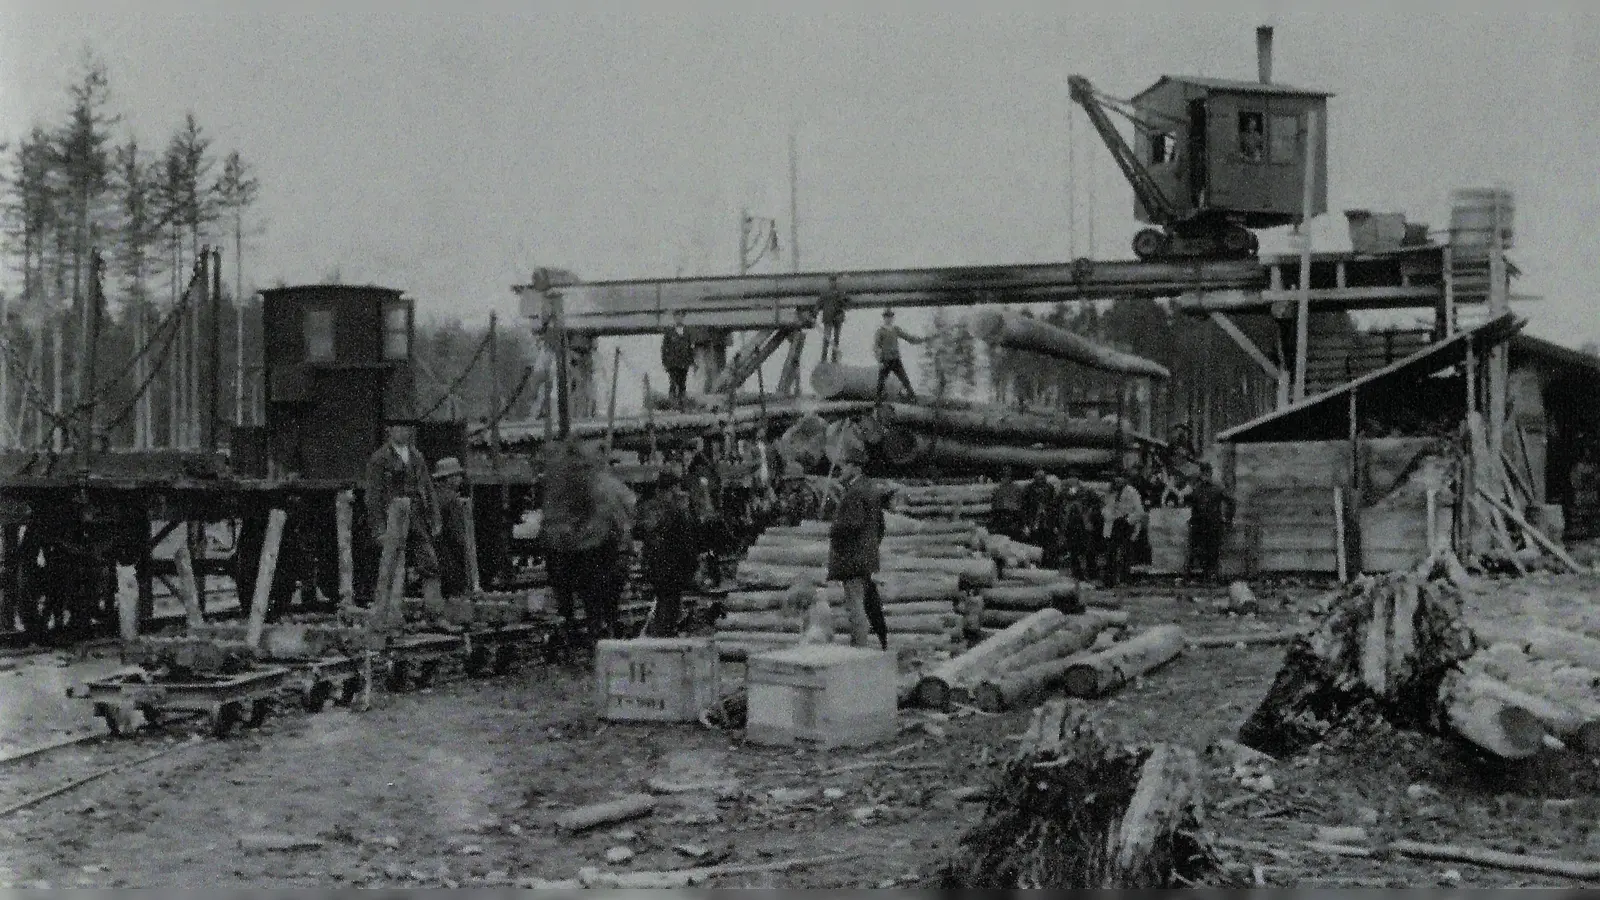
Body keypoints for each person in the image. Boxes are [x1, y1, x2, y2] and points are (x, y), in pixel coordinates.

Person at [364, 421, 442, 604]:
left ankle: (435, 613)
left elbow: (428, 489)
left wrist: (434, 518)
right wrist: (379, 529)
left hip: (417, 517)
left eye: (407, 428)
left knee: (429, 563)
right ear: (389, 430)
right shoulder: (380, 458)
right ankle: (389, 614)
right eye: (398, 428)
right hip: (394, 519)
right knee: (392, 568)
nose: (403, 432)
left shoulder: (416, 457)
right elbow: (373, 497)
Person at [828, 453, 889, 650]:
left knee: (855, 608)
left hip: (853, 560)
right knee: (864, 604)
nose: (841, 470)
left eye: (844, 466)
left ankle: (859, 650)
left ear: (856, 468)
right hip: (863, 558)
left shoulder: (855, 492)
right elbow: (880, 526)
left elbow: (851, 525)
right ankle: (871, 644)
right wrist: (869, 549)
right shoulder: (869, 489)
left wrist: (835, 532)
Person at [635, 468, 697, 637]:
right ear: (670, 489)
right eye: (675, 488)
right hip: (671, 568)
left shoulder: (649, 508)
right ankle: (661, 637)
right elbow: (687, 540)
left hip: (657, 567)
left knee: (665, 602)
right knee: (668, 605)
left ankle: (660, 633)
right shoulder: (675, 511)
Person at [1186, 462, 1235, 585]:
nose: (1205, 476)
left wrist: (1228, 518)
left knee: (1213, 552)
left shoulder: (1216, 488)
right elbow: (1193, 505)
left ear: (1210, 473)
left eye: (1206, 473)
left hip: (1213, 524)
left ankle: (1214, 577)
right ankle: (1207, 576)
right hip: (1201, 525)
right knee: (1203, 552)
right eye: (1203, 473)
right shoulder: (1198, 489)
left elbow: (1231, 502)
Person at [432, 456, 474, 598]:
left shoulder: (435, 497)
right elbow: (456, 535)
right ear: (449, 479)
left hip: (435, 553)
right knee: (456, 592)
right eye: (457, 476)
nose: (460, 479)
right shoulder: (452, 500)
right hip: (449, 555)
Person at [1102, 474, 1146, 588]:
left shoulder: (1132, 492)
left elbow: (1140, 511)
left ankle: (1124, 579)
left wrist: (1128, 519)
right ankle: (1109, 580)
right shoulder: (1110, 491)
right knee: (1110, 553)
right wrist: (1109, 515)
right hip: (1113, 523)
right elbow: (1105, 507)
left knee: (1125, 552)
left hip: (1125, 524)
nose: (1117, 481)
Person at [1057, 477, 1101, 582]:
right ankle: (1078, 573)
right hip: (1072, 527)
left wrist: (1090, 513)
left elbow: (1097, 504)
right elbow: (1061, 508)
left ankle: (1091, 573)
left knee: (1088, 550)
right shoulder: (1065, 495)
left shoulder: (1087, 493)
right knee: (1074, 551)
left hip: (1084, 525)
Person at [873, 309, 923, 402]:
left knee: (904, 379)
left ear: (893, 318)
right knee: (881, 382)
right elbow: (876, 347)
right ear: (884, 318)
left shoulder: (896, 329)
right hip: (885, 360)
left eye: (891, 317)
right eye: (887, 317)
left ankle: (913, 398)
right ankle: (878, 400)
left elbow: (909, 338)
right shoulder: (880, 331)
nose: (889, 319)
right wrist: (879, 361)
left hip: (896, 360)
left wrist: (920, 340)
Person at [661, 310, 695, 410]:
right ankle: (672, 404)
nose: (679, 318)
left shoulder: (687, 332)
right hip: (672, 364)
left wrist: (691, 361)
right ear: (674, 318)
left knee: (682, 384)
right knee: (673, 383)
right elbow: (664, 348)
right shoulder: (669, 332)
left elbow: (690, 347)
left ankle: (682, 405)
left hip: (684, 363)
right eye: (677, 316)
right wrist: (665, 362)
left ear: (683, 317)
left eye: (681, 316)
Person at [989, 467, 1025, 540]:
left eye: (1008, 475)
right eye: (1005, 475)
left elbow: (1020, 502)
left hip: (1013, 513)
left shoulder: (1016, 488)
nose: (1007, 478)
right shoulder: (998, 488)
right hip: (1002, 513)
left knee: (1013, 535)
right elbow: (994, 504)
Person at [819, 279, 849, 365]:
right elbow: (819, 303)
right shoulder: (825, 293)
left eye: (834, 281)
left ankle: (833, 358)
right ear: (829, 283)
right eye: (831, 281)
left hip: (837, 319)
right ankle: (824, 358)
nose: (833, 283)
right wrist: (814, 314)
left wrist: (843, 302)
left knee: (836, 339)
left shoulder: (840, 293)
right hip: (828, 318)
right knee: (827, 338)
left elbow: (846, 302)